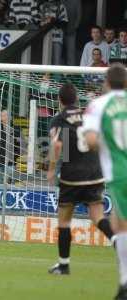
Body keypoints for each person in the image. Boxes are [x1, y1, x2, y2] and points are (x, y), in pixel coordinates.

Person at [46, 83, 114, 275]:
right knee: (98, 217)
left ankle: (64, 264)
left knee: (64, 220)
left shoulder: (59, 119)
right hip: (94, 174)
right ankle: (118, 242)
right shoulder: (88, 116)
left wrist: (51, 169)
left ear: (59, 100)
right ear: (76, 99)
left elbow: (58, 146)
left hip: (72, 177)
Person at [83, 63, 127, 300]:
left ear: (106, 83)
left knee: (121, 226)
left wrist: (110, 146)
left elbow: (90, 140)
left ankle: (124, 284)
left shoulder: (98, 105)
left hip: (120, 172)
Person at [39, 0, 68, 65]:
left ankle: (56, 75)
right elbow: (37, 22)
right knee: (45, 63)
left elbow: (64, 23)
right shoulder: (42, 6)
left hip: (57, 39)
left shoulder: (60, 6)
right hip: (44, 39)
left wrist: (53, 21)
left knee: (56, 63)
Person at [63, 0, 81, 66]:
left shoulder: (76, 1)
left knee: (70, 53)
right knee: (57, 54)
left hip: (71, 31)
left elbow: (79, 17)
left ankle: (71, 74)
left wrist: (74, 28)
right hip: (58, 32)